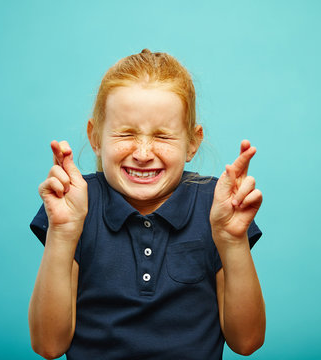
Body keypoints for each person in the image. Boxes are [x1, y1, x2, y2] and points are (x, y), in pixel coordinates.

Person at [28, 49, 265, 360]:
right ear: (96, 136)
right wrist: (62, 232)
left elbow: (246, 341)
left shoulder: (216, 205)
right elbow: (48, 345)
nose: (142, 153)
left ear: (192, 142)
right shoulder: (74, 203)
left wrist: (232, 241)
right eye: (126, 133)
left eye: (163, 137)